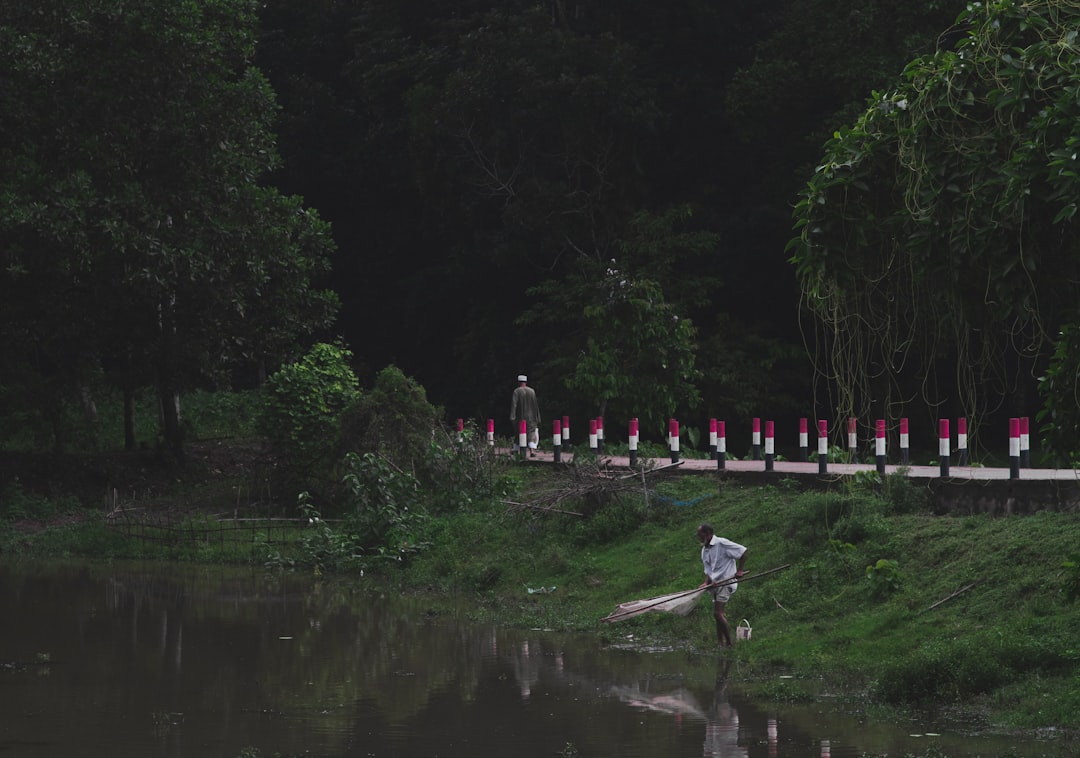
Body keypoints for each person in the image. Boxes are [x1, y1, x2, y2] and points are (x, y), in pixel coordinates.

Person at [697, 523, 748, 649]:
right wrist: (706, 583)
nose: (698, 537)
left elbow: (743, 551)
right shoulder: (704, 550)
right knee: (718, 615)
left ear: (708, 534)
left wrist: (740, 571)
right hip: (715, 585)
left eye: (700, 534)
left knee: (717, 613)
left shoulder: (722, 543)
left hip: (726, 582)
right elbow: (709, 570)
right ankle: (720, 643)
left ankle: (729, 644)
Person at [509, 374, 541, 456]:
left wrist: (512, 416)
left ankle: (516, 449)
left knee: (518, 432)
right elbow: (535, 405)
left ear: (518, 382)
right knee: (531, 433)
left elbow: (514, 405)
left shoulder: (516, 391)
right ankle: (532, 451)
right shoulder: (532, 391)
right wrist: (538, 417)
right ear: (526, 382)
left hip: (520, 416)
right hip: (532, 417)